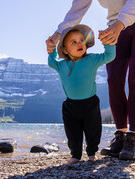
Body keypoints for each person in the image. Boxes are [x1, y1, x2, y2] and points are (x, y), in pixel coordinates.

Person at [46, 0, 135, 160]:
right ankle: (120, 136)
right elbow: (80, 4)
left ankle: (133, 137)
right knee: (114, 79)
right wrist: (58, 34)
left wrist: (120, 24)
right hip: (115, 22)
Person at [48, 24, 115, 164]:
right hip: (70, 106)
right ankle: (75, 155)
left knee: (93, 131)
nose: (79, 43)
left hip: (90, 103)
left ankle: (91, 154)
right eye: (74, 42)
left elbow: (110, 56)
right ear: (65, 50)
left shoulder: (92, 59)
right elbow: (51, 62)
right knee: (73, 133)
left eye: (81, 40)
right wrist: (51, 49)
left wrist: (108, 43)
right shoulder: (61, 65)